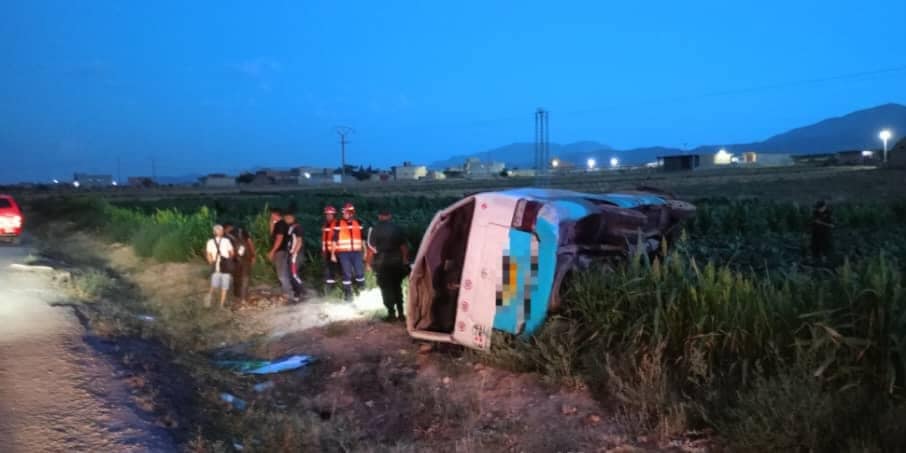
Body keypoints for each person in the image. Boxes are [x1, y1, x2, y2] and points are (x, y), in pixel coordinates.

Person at [366, 209, 410, 321]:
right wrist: (405, 260)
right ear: (390, 216)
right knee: (397, 287)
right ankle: (401, 314)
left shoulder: (375, 230)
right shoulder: (397, 228)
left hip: (382, 263)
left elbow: (371, 249)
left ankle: (391, 314)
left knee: (386, 289)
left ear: (379, 216)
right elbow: (404, 247)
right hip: (397, 262)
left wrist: (368, 264)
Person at [332, 202, 366, 301]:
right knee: (346, 274)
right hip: (344, 253)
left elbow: (363, 239)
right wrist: (333, 254)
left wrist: (366, 252)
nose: (344, 214)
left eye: (346, 213)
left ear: (351, 213)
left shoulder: (359, 223)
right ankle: (348, 296)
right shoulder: (338, 224)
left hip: (356, 253)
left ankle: (362, 293)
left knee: (360, 273)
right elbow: (334, 240)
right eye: (343, 213)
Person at [205, 224, 235, 308]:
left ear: (214, 232)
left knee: (213, 285)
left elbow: (208, 255)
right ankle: (221, 305)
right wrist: (229, 259)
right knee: (224, 287)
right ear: (221, 232)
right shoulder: (226, 241)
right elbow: (232, 253)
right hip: (225, 266)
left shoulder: (210, 242)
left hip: (216, 266)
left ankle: (208, 301)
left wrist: (211, 262)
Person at [267, 207, 293, 303]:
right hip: (282, 251)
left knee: (282, 274)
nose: (270, 217)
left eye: (271, 215)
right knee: (282, 273)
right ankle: (287, 292)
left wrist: (272, 251)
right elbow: (272, 234)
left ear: (275, 215)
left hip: (281, 251)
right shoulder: (280, 224)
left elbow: (279, 238)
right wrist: (271, 223)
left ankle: (289, 294)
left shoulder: (281, 225)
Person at [225, 223, 256, 304]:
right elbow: (250, 243)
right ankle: (243, 298)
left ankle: (237, 297)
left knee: (236, 277)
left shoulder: (226, 235)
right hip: (246, 257)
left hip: (234, 259)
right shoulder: (243, 231)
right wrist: (253, 255)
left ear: (226, 228)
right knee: (245, 277)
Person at [284, 211, 305, 302]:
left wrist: (294, 253)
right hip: (291, 254)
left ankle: (300, 291)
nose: (285, 219)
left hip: (295, 255)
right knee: (291, 274)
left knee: (294, 274)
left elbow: (299, 241)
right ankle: (297, 292)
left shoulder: (297, 227)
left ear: (292, 217)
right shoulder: (290, 228)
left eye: (287, 217)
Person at [321, 205, 342, 291]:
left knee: (340, 271)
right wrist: (323, 250)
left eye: (330, 214)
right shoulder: (325, 225)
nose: (328, 216)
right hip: (328, 252)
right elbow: (324, 239)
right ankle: (330, 291)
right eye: (327, 214)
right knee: (328, 272)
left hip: (337, 252)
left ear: (334, 215)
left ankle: (341, 290)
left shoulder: (337, 224)